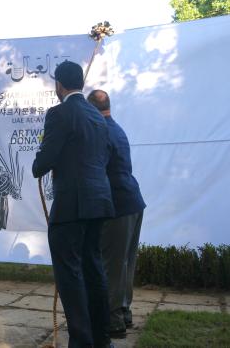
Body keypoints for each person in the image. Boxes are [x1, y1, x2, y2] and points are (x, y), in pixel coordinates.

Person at [32, 61, 115, 348]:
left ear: (59, 85)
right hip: (99, 202)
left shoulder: (59, 113)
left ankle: (81, 342)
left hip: (72, 206)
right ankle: (103, 340)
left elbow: (43, 163)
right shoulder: (97, 116)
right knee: (94, 270)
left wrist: (39, 158)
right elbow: (103, 157)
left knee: (69, 275)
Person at [87, 89, 146, 338]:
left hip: (118, 206)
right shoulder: (116, 128)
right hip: (133, 203)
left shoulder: (101, 132)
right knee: (125, 264)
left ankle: (113, 321)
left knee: (111, 265)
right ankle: (124, 313)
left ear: (91, 109)